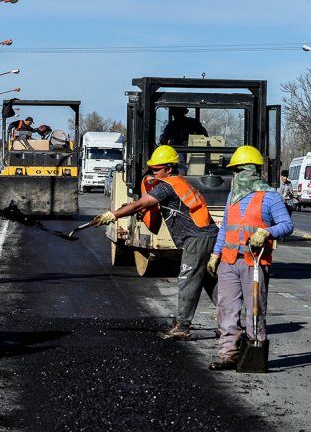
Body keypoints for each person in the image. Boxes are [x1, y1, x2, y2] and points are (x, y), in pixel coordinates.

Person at [91, 145, 219, 340]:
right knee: (210, 280)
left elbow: (141, 204)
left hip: (197, 239)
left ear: (169, 168)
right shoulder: (180, 182)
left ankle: (182, 326)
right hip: (209, 236)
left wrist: (112, 215)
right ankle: (230, 324)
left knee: (188, 279)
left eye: (157, 169)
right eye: (152, 169)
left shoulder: (167, 186)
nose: (153, 172)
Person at [206, 146, 293, 370]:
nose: (234, 176)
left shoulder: (270, 196)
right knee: (226, 309)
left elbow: (287, 225)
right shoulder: (232, 197)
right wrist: (216, 254)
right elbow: (225, 228)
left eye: (237, 171)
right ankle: (229, 355)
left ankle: (255, 347)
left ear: (249, 171)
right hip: (229, 261)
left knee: (255, 310)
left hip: (254, 263)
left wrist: (266, 232)